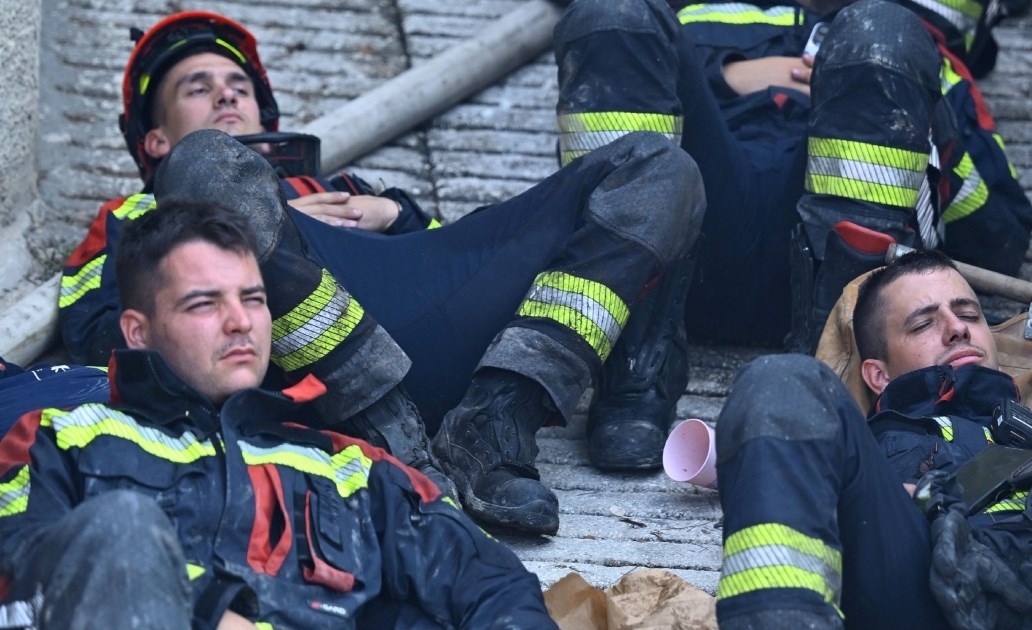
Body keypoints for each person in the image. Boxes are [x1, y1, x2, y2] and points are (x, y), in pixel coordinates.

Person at [56, 12, 705, 535]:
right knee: (206, 168)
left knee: (659, 169)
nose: (226, 92)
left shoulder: (351, 186)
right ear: (153, 141)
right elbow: (101, 333)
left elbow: (450, 266)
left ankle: (496, 421)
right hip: (326, 379)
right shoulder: (134, 218)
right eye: (197, 87)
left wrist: (395, 212)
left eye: (239, 86)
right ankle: (382, 423)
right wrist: (239, 231)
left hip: (440, 319)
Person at [0, 200, 556, 628]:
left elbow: (492, 583)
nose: (240, 322)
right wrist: (206, 611)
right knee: (123, 530)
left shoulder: (350, 468)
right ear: (138, 333)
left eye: (253, 299)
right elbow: (16, 572)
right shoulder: (61, 438)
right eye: (204, 303)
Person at [711, 250, 1032, 628]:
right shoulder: (858, 457)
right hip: (918, 594)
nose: (955, 330)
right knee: (780, 381)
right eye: (923, 323)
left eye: (968, 314)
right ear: (877, 375)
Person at [552, 0, 1032, 359]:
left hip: (847, 288)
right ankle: (632, 374)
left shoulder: (911, 50)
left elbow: (998, 233)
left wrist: (920, 121)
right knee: (611, 11)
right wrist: (732, 74)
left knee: (882, 34)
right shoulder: (686, 21)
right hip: (673, 260)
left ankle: (837, 363)